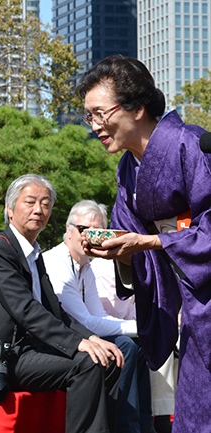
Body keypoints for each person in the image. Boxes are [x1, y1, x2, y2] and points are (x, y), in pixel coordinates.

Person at [78, 55, 211, 432]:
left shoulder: (191, 145)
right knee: (195, 413)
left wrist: (153, 241)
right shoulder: (128, 168)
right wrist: (115, 249)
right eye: (89, 116)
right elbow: (131, 237)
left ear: (137, 108)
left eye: (100, 113)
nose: (95, 126)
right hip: (194, 305)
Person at [0, 174, 123, 433]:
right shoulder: (0, 249)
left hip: (34, 347)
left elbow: (56, 311)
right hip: (9, 352)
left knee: (108, 358)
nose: (39, 210)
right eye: (30, 202)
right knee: (87, 363)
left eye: (45, 204)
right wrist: (78, 343)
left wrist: (93, 338)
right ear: (10, 209)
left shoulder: (34, 253)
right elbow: (25, 310)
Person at [43, 200, 152, 433]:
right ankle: (125, 427)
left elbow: (98, 316)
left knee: (137, 346)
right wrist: (142, 326)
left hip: (82, 334)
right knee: (126, 346)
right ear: (69, 229)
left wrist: (141, 329)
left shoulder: (85, 265)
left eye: (98, 233)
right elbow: (85, 322)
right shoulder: (57, 263)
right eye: (84, 230)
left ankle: (143, 426)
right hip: (57, 340)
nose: (90, 237)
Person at [92, 258, 177, 433]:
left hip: (125, 328)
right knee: (134, 345)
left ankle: (151, 420)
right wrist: (147, 328)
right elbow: (100, 316)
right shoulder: (102, 268)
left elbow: (133, 313)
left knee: (155, 341)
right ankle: (138, 423)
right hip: (105, 332)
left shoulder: (136, 266)